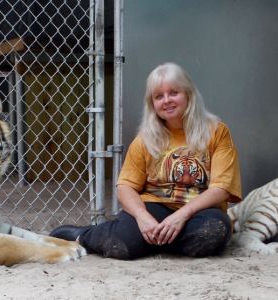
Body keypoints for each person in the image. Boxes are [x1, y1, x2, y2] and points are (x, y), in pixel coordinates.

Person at [49, 62, 242, 260]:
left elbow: (221, 188)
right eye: (159, 96)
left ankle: (145, 241)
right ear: (152, 104)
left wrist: (181, 216)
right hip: (154, 207)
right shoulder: (145, 138)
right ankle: (85, 235)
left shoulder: (217, 131)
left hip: (198, 211)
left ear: (189, 94)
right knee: (121, 247)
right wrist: (143, 218)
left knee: (213, 231)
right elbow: (125, 187)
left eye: (173, 93)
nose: (166, 100)